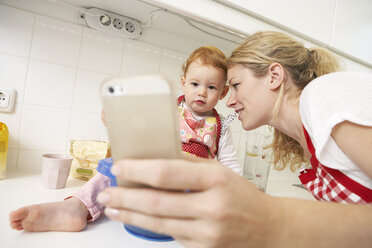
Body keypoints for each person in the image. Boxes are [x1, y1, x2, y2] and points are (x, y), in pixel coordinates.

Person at [93, 31, 372, 248]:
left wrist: (272, 219)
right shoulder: (312, 141)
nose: (230, 100)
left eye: (236, 85)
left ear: (274, 76)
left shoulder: (326, 94)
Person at [9, 46, 241, 232]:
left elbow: (230, 167)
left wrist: (238, 194)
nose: (201, 92)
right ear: (183, 82)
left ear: (222, 93)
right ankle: (75, 207)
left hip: (189, 185)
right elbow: (137, 126)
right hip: (155, 172)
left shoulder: (221, 127)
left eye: (211, 87)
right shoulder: (166, 107)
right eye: (195, 84)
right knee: (115, 169)